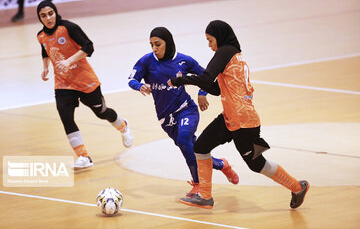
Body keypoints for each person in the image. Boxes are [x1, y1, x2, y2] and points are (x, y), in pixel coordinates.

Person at [169, 20, 309, 209]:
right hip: (231, 118)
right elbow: (216, 88)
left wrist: (180, 80)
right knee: (201, 147)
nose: (209, 45)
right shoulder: (232, 54)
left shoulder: (225, 51)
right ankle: (205, 196)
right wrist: (190, 82)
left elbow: (206, 77)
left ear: (219, 37)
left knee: (256, 164)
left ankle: (297, 187)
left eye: (210, 40)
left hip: (244, 122)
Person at [128, 27, 239, 197]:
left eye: (158, 44)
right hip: (165, 118)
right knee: (193, 149)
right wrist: (139, 85)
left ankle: (197, 183)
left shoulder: (184, 61)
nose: (154, 48)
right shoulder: (147, 61)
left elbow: (208, 77)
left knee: (184, 138)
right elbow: (131, 79)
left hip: (186, 109)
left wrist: (202, 93)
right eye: (151, 45)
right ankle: (221, 164)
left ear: (168, 43)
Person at [36, 1, 133, 169]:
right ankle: (84, 157)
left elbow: (89, 47)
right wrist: (45, 67)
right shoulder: (41, 35)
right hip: (63, 84)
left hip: (85, 80)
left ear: (55, 12)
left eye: (50, 13)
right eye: (43, 15)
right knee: (66, 117)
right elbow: (45, 49)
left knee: (101, 112)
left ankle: (123, 125)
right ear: (40, 18)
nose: (48, 18)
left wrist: (69, 61)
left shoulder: (68, 28)